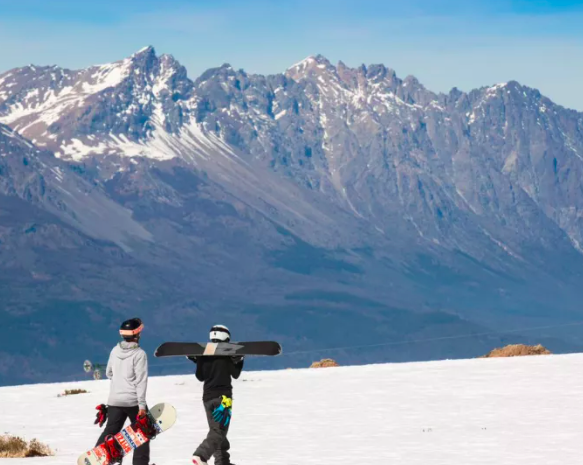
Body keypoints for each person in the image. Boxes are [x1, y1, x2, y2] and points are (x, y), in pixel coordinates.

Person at [94, 318, 150, 465]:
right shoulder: (140, 354)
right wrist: (142, 406)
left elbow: (108, 373)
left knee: (110, 431)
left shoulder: (114, 350)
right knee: (143, 432)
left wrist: (120, 381)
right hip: (133, 401)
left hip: (114, 400)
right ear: (137, 334)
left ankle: (96, 458)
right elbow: (141, 381)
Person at [190, 325, 244, 465]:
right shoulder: (226, 354)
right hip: (223, 399)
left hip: (207, 398)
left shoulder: (204, 354)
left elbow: (200, 376)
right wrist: (240, 360)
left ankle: (222, 462)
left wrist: (198, 361)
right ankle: (201, 455)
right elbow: (235, 374)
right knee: (219, 432)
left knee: (217, 431)